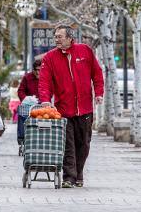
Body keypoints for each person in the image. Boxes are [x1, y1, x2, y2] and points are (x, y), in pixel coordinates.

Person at [39, 25, 104, 188]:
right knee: (68, 145)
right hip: (63, 110)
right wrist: (45, 99)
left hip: (85, 108)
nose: (56, 39)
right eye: (55, 37)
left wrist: (99, 93)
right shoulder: (49, 57)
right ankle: (69, 177)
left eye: (60, 36)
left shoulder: (85, 51)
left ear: (70, 37)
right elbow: (44, 81)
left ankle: (79, 173)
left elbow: (97, 74)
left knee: (84, 144)